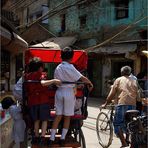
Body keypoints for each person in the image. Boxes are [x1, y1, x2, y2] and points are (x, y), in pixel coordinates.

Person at [49, 47, 93, 145]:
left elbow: (56, 81)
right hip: (68, 92)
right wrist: (90, 83)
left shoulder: (58, 67)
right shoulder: (71, 67)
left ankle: (52, 138)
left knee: (58, 115)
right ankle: (63, 138)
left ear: (61, 56)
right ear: (72, 57)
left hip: (59, 92)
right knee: (67, 116)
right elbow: (82, 78)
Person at [24, 57, 61, 144]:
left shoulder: (27, 76)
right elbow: (43, 83)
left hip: (32, 102)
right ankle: (42, 137)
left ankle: (36, 137)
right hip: (43, 101)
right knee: (44, 120)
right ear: (39, 67)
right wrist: (54, 80)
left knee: (36, 120)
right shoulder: (40, 74)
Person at [101, 66, 139, 148]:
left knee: (117, 124)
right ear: (130, 73)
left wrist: (106, 103)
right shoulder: (134, 80)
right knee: (130, 124)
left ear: (121, 72)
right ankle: (128, 140)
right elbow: (138, 94)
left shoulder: (118, 79)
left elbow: (112, 94)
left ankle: (124, 143)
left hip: (122, 104)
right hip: (133, 104)